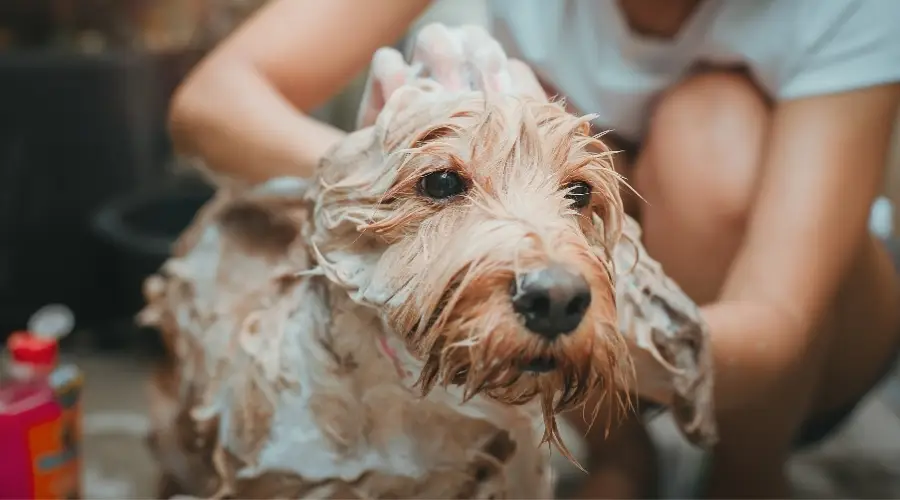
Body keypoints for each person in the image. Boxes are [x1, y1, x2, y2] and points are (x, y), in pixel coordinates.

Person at [168, 0, 900, 497]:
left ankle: (747, 478)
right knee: (523, 114)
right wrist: (408, 179)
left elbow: (777, 326)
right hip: (595, 290)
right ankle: (617, 456)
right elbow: (212, 103)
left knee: (710, 133)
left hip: (798, 347)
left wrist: (607, 330)